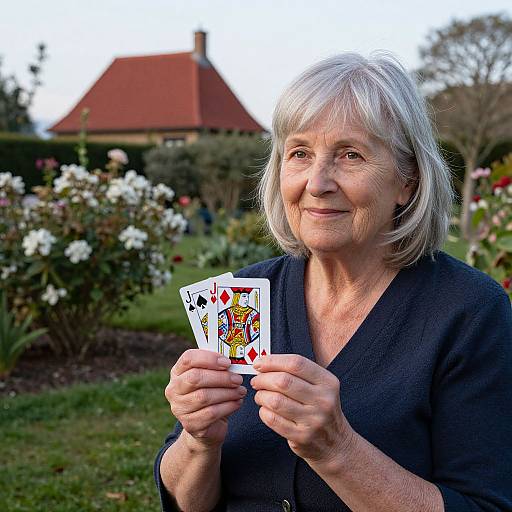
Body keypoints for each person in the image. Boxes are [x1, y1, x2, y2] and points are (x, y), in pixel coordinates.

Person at [154, 52, 512, 511]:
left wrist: (338, 449)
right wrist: (198, 440)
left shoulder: (466, 310)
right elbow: (186, 501)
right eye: (300, 153)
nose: (317, 182)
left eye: (350, 155)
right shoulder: (239, 299)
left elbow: (484, 505)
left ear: (407, 181)